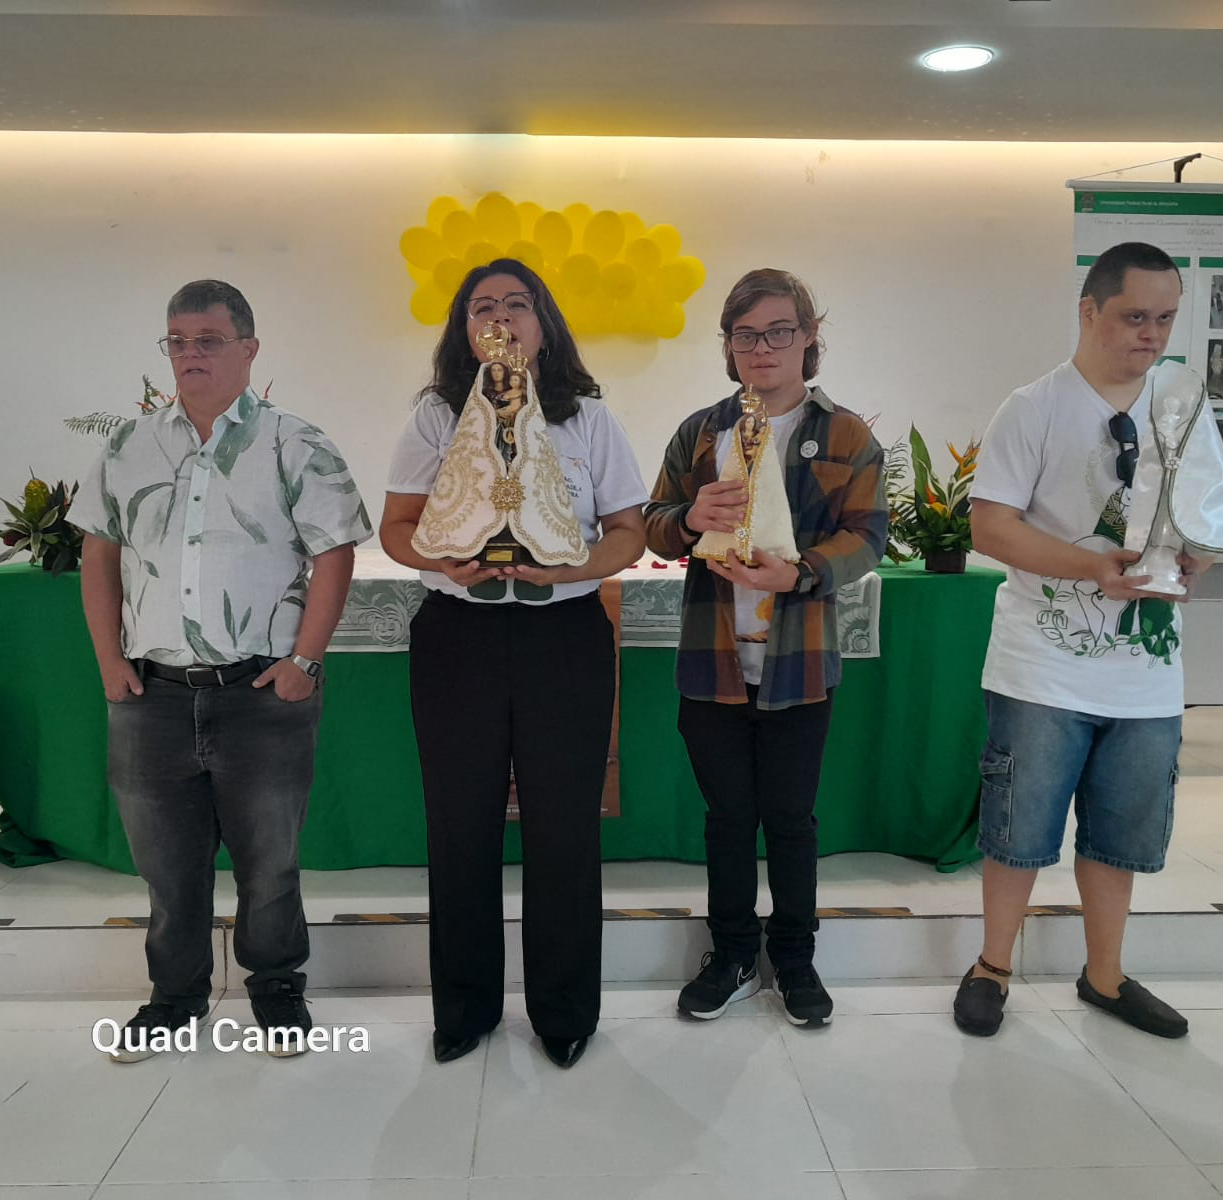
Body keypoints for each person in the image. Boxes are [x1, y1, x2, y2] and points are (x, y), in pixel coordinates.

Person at [72, 279, 372, 1061]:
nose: (190, 354)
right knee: (167, 868)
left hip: (262, 691)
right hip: (152, 694)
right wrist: (109, 662)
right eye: (177, 340)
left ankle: (277, 991)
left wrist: (306, 660)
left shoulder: (295, 444)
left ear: (249, 349)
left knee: (269, 864)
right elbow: (98, 552)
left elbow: (335, 553)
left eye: (208, 339)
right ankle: (175, 998)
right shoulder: (128, 446)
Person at [380, 259, 649, 1069]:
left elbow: (628, 531)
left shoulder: (586, 417)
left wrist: (566, 570)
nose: (499, 318)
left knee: (564, 827)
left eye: (516, 305)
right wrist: (442, 555)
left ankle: (564, 1013)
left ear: (544, 322)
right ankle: (464, 1010)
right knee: (458, 825)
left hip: (562, 640)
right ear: (464, 329)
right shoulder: (436, 415)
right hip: (456, 637)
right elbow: (398, 526)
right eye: (481, 307)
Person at [953, 242, 1210, 1041]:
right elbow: (990, 527)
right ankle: (993, 965)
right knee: (1018, 831)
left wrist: (1194, 555)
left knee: (1122, 835)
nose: (1152, 335)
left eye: (1166, 319)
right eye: (1135, 317)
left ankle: (1105, 976)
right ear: (1089, 310)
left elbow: (1206, 519)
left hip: (1146, 674)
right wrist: (1093, 568)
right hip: (1043, 667)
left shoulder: (1185, 414)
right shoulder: (1033, 408)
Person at [643, 268, 887, 1027]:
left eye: (780, 331)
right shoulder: (699, 432)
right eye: (745, 334)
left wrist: (803, 570)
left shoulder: (845, 434)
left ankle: (796, 956)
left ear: (810, 338)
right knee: (725, 818)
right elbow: (651, 522)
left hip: (799, 663)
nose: (763, 347)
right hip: (712, 662)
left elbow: (870, 535)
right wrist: (688, 520)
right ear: (728, 345)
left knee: (790, 819)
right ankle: (730, 953)